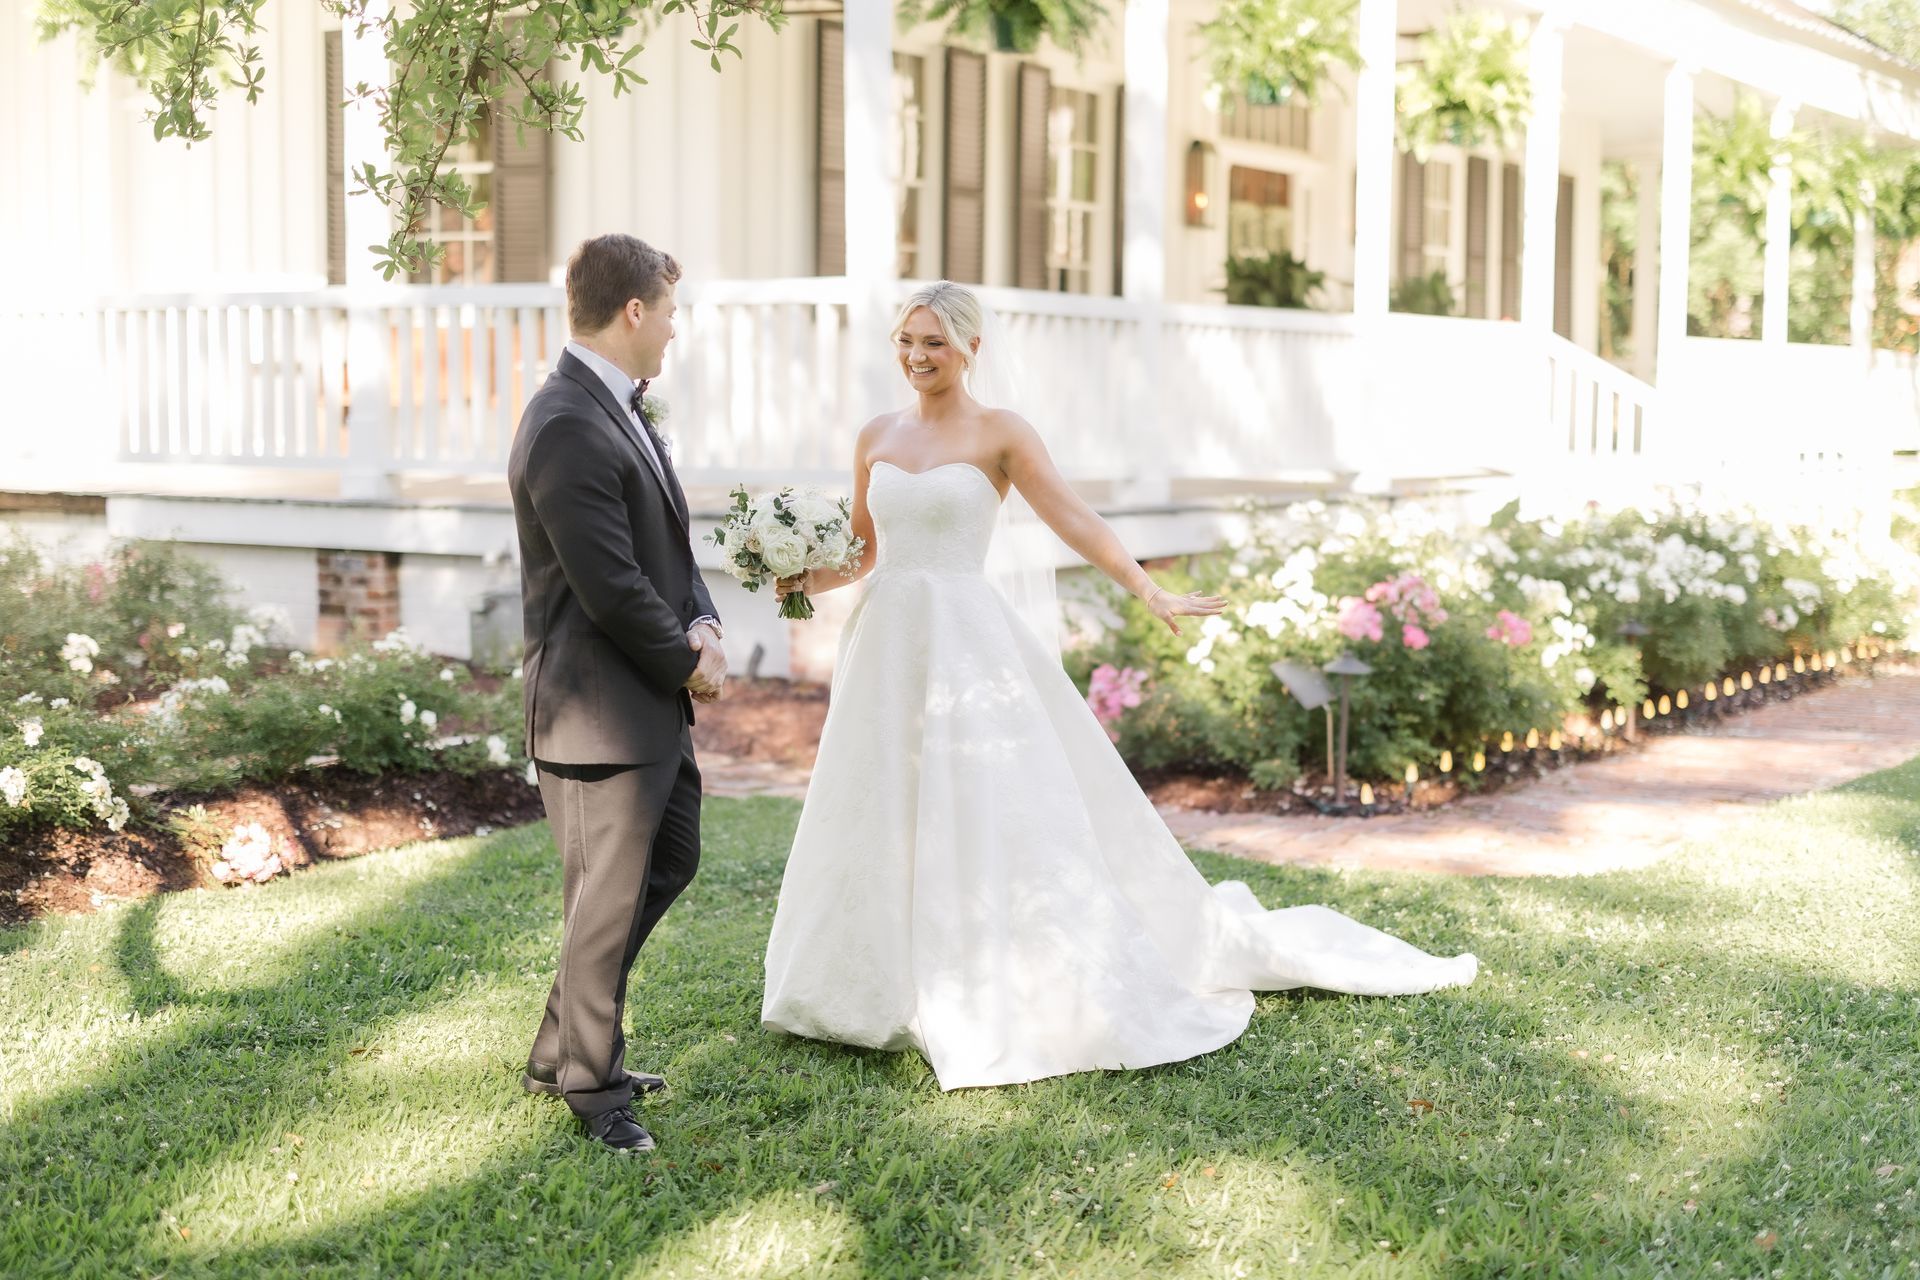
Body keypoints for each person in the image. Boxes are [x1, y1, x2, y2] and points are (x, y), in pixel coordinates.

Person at [760, 281, 1476, 1090]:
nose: (917, 357)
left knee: (983, 801)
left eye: (933, 342)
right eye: (906, 341)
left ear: (970, 349)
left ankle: (994, 979)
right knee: (879, 797)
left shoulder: (1001, 433)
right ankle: (861, 986)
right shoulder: (876, 435)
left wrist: (1147, 587)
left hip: (967, 640)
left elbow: (1073, 518)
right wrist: (794, 578)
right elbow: (862, 550)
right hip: (887, 641)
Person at [506, 234, 728, 1150]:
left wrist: (705, 618)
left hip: (644, 707)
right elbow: (607, 584)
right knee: (603, 902)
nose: (676, 330)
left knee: (667, 863)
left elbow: (664, 549)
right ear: (633, 312)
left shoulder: (619, 408)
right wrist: (688, 662)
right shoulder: (565, 421)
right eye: (670, 312)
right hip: (597, 712)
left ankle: (562, 1042)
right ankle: (592, 1089)